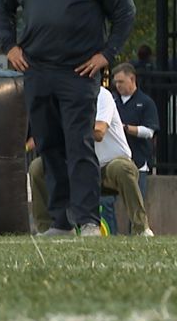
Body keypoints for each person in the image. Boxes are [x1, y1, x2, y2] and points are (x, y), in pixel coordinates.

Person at [0, 0, 135, 237]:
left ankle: (87, 220)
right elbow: (2, 10)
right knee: (48, 145)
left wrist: (107, 54)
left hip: (79, 71)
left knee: (79, 144)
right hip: (38, 70)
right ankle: (60, 221)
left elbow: (125, 11)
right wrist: (10, 47)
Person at [29, 85, 152, 237]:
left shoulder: (101, 95)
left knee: (122, 168)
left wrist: (70, 127)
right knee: (38, 167)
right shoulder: (59, 98)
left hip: (108, 166)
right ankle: (48, 228)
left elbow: (99, 132)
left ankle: (141, 228)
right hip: (78, 168)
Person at [106, 63, 159, 234]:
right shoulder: (111, 101)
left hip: (138, 161)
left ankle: (137, 232)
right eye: (116, 83)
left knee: (135, 202)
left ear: (132, 79)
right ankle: (111, 235)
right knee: (106, 202)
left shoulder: (145, 102)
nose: (118, 86)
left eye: (121, 81)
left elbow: (150, 131)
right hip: (112, 160)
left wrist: (126, 128)